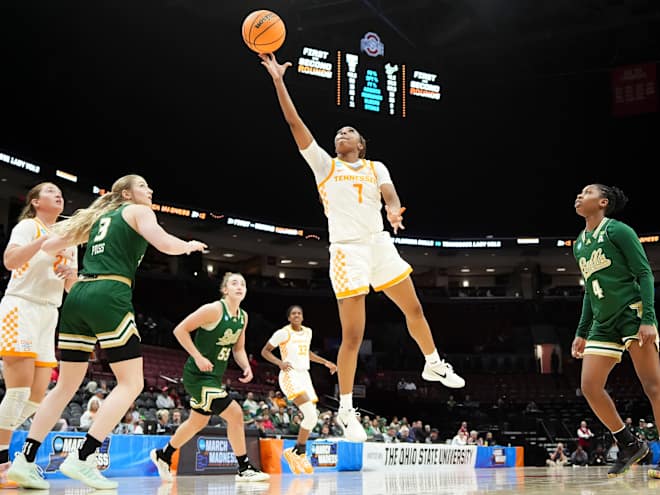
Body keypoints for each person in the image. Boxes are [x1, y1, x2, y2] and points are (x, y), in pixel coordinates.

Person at [257, 52, 465, 442]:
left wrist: (392, 210)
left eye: (349, 132)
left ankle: (433, 363)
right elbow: (294, 122)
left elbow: (389, 192)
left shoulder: (375, 167)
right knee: (353, 335)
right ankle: (347, 411)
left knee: (414, 307)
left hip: (378, 243)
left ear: (362, 144)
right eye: (338, 132)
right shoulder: (324, 165)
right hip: (347, 251)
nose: (341, 134)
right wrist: (278, 81)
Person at [7, 174, 207, 490]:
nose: (150, 190)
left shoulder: (97, 217)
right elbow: (164, 242)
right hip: (109, 293)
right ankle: (83, 457)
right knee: (132, 382)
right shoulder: (139, 211)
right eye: (143, 185)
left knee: (65, 387)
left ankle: (24, 461)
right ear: (126, 194)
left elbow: (50, 244)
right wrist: (188, 246)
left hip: (78, 294)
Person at [570, 184, 660, 479]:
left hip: (631, 314)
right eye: (579, 193)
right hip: (602, 322)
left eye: (587, 192)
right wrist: (581, 331)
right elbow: (588, 292)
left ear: (603, 202)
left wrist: (649, 317)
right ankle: (629, 443)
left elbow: (644, 272)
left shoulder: (618, 231)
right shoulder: (579, 243)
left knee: (654, 387)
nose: (580, 196)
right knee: (590, 386)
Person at [149, 272, 269, 483]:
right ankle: (244, 468)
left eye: (243, 284)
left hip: (213, 378)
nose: (239, 286)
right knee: (235, 414)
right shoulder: (213, 309)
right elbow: (180, 330)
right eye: (234, 283)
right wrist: (197, 356)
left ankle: (164, 454)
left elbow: (238, 348)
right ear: (225, 290)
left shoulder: (243, 316)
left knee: (197, 421)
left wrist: (246, 366)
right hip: (197, 376)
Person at [0, 182, 78, 488]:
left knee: (35, 399)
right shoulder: (27, 227)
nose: (57, 195)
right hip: (21, 306)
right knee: (17, 393)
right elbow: (10, 261)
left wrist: (71, 275)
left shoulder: (70, 238)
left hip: (50, 313)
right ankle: (2, 462)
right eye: (49, 191)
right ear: (35, 201)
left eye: (60, 193)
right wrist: (45, 241)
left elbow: (71, 286)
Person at [261, 304, 337, 474]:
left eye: (299, 313)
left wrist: (325, 362)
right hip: (290, 375)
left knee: (312, 418)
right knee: (309, 413)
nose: (296, 315)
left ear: (302, 317)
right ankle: (298, 451)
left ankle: (298, 452)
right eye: (293, 313)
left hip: (305, 376)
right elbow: (265, 351)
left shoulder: (308, 332)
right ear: (289, 318)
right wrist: (279, 362)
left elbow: (307, 353)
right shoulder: (283, 333)